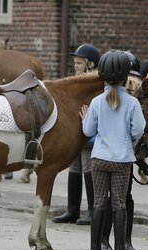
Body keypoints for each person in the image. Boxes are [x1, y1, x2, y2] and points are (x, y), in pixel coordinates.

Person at [80, 50, 145, 250]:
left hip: (99, 158)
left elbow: (88, 131)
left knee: (99, 203)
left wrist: (84, 118)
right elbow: (139, 130)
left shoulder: (97, 101)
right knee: (119, 204)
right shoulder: (133, 103)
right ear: (127, 76)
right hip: (122, 160)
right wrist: (129, 142)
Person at [100, 50, 141, 250]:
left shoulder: (136, 96)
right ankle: (111, 242)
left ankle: (122, 240)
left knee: (120, 198)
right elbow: (138, 130)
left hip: (112, 155)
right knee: (116, 199)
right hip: (123, 155)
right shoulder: (128, 100)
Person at [53, 43, 100, 225]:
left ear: (89, 64)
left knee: (88, 168)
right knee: (75, 169)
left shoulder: (93, 85)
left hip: (89, 135)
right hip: (75, 133)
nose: (75, 66)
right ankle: (72, 209)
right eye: (75, 63)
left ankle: (92, 210)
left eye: (79, 63)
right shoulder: (76, 82)